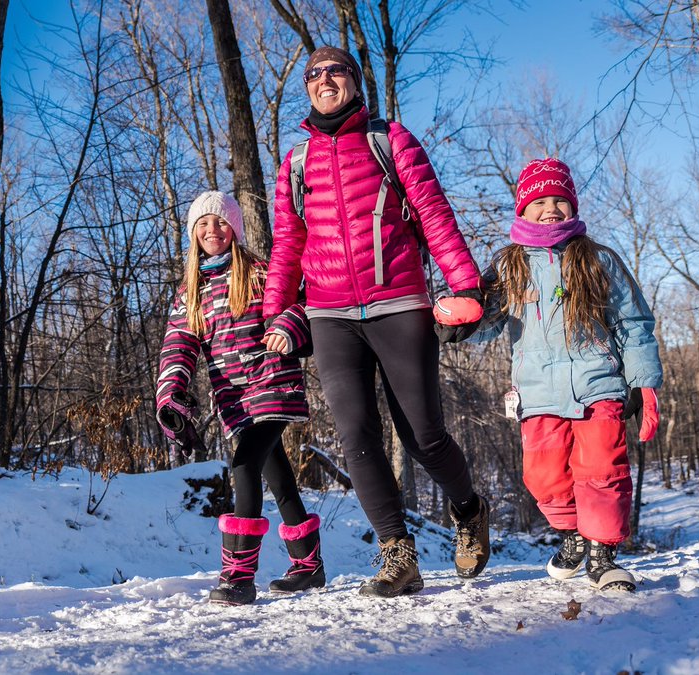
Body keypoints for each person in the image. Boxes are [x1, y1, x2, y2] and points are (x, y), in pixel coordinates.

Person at [263, 46, 491, 598]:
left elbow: (434, 212)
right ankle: (398, 555)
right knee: (356, 436)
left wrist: (464, 284)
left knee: (424, 436)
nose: (324, 80)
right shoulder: (295, 162)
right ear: (307, 88)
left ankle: (469, 509)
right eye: (313, 74)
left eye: (334, 71)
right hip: (329, 314)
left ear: (354, 81)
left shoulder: (390, 140)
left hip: (398, 301)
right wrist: (276, 314)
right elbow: (289, 245)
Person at [455, 158, 662, 592]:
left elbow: (633, 323)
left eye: (560, 201)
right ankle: (572, 535)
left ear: (573, 207)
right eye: (539, 201)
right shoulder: (508, 267)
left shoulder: (598, 260)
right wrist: (459, 325)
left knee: (602, 471)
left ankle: (602, 556)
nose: (551, 208)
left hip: (598, 387)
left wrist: (643, 382)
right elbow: (486, 321)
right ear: (522, 210)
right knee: (544, 477)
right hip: (537, 394)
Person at [156, 191, 321, 606]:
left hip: (272, 381)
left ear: (236, 229)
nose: (213, 231)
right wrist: (172, 393)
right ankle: (309, 566)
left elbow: (303, 301)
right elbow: (178, 346)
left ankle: (238, 576)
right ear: (193, 233)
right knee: (277, 475)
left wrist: (288, 325)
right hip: (232, 396)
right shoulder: (189, 292)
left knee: (244, 464)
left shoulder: (263, 273)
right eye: (204, 224)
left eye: (221, 222)